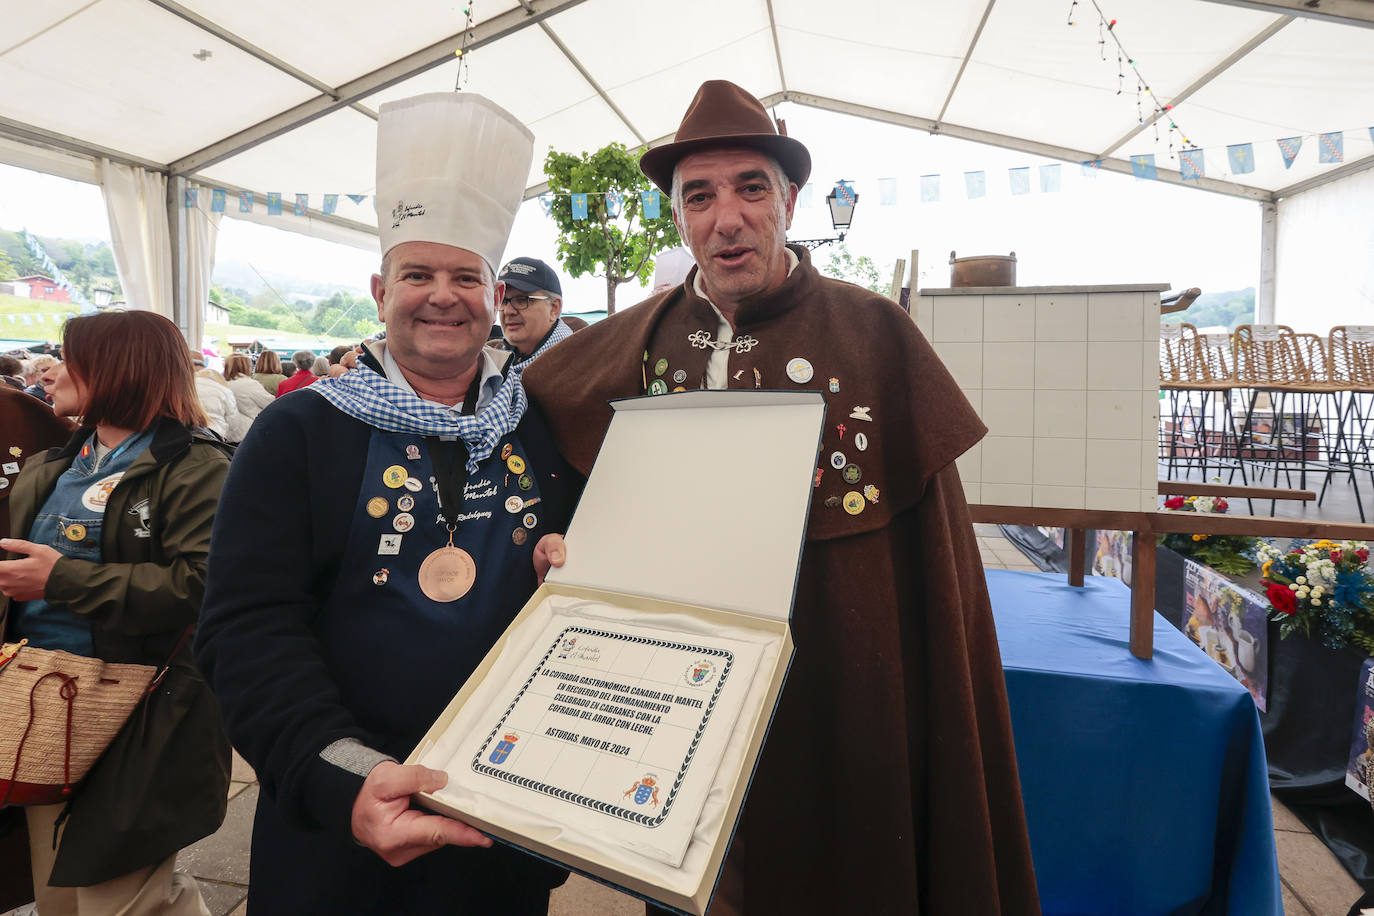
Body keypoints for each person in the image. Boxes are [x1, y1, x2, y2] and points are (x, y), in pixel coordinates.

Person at [522, 79, 1039, 914]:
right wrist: (557, 533)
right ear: (680, 219)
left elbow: (936, 576)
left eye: (750, 188)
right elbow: (529, 418)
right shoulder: (645, 337)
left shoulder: (874, 334)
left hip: (841, 685)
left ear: (790, 201)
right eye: (700, 196)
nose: (727, 217)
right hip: (677, 695)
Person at [196, 91, 575, 915]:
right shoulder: (296, 433)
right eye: (418, 274)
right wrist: (340, 772)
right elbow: (246, 626)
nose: (443, 295)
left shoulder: (539, 427)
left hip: (506, 814)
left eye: (464, 276)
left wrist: (574, 565)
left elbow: (585, 572)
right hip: (342, 825)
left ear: (493, 292)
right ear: (379, 288)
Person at [0, 309, 231, 915]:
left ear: (118, 369)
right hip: (43, 705)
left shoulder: (197, 468)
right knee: (57, 894)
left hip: (142, 708)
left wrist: (63, 578)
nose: (50, 371)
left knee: (125, 896)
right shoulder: (51, 466)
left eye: (68, 358)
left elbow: (206, 585)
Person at [496, 257, 572, 372]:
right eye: (502, 301)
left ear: (554, 308)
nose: (508, 311)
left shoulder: (578, 365)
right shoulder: (491, 361)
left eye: (521, 300)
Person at [223, 353, 273, 440]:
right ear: (244, 367)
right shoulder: (249, 384)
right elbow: (270, 403)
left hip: (229, 431)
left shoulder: (222, 383)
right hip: (249, 430)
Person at [191, 351, 239, 442]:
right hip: (217, 436)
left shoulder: (182, 388)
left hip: (189, 438)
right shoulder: (224, 390)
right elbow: (233, 423)